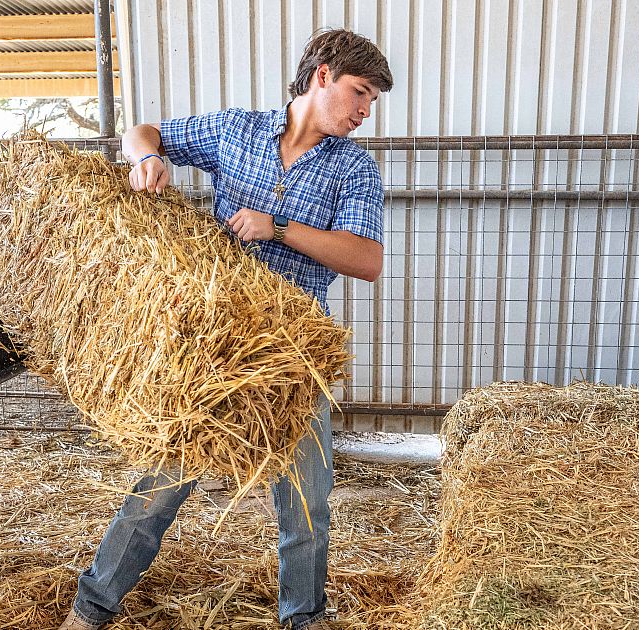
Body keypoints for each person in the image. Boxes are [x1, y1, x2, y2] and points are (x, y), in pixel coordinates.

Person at [60, 28, 392, 630]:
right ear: (322, 75)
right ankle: (91, 609)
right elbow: (145, 131)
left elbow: (366, 260)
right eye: (360, 92)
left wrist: (281, 226)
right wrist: (147, 159)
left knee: (307, 504)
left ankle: (303, 620)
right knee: (160, 483)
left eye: (372, 101)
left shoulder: (354, 169)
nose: (365, 111)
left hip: (294, 353)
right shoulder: (236, 131)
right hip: (214, 346)